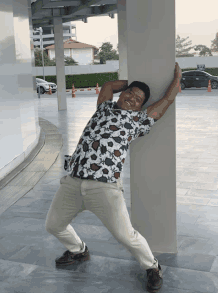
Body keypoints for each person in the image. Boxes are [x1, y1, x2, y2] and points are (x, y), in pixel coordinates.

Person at [45, 63, 182, 292]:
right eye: (129, 93)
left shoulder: (138, 121)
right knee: (53, 225)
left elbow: (166, 101)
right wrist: (132, 84)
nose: (131, 98)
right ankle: (79, 250)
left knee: (126, 236)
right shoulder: (102, 108)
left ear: (141, 107)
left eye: (138, 99)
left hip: (104, 187)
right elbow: (109, 85)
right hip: (73, 181)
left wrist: (177, 79)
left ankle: (153, 267)